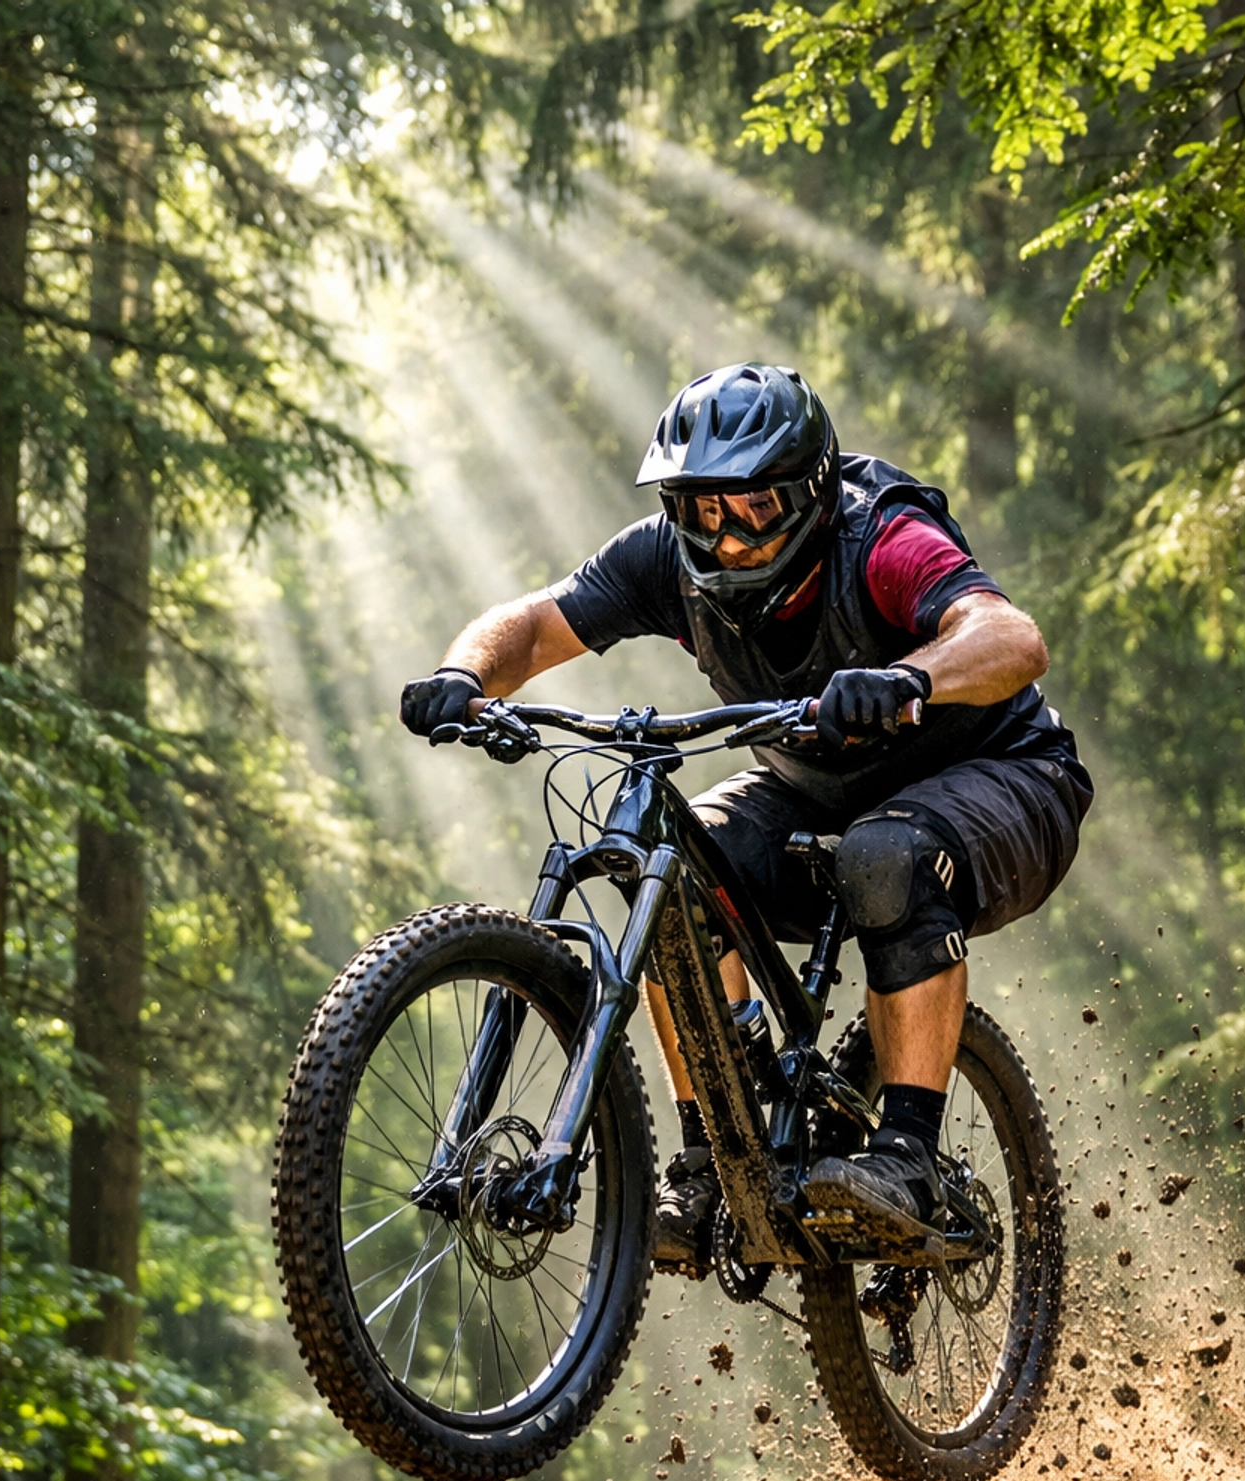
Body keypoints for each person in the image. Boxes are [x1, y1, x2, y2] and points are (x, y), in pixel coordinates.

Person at [400, 362, 1091, 1268]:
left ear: (809, 489)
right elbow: (533, 624)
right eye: (700, 508)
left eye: (754, 507)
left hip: (1001, 774)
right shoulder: (661, 560)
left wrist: (908, 677)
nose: (725, 538)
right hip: (817, 785)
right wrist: (464, 675)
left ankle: (910, 1160)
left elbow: (1012, 639)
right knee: (675, 865)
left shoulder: (880, 538)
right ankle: (709, 1162)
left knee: (888, 857)